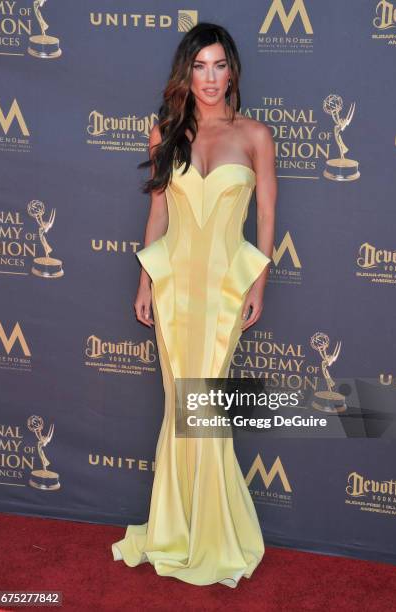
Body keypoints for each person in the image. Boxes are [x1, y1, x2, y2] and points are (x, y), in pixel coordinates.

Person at [112, 22, 276, 588]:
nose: (209, 78)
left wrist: (259, 281)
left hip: (227, 288)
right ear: (187, 73)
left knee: (203, 402)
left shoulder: (255, 134)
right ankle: (177, 529)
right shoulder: (166, 134)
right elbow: (158, 215)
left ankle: (213, 532)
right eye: (199, 66)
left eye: (219, 65)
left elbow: (267, 218)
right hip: (175, 286)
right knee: (179, 402)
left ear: (233, 71)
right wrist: (143, 283)